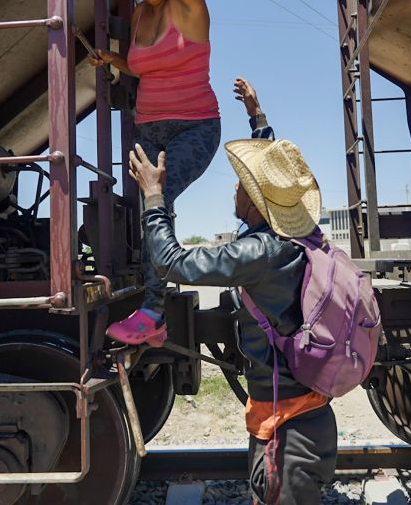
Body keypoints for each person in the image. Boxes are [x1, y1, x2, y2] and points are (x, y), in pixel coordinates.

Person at [127, 78, 337, 504]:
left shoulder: (260, 250)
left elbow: (173, 262)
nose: (235, 188)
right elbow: (276, 177)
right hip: (293, 413)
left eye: (243, 186)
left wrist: (154, 197)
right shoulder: (296, 235)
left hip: (290, 426)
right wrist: (257, 118)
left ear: (257, 204)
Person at [76, 0, 221, 346]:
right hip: (148, 130)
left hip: (194, 127)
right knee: (149, 211)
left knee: (157, 201)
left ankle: (155, 313)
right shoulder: (139, 14)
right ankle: (153, 307)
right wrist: (116, 59)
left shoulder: (191, 0)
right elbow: (147, 67)